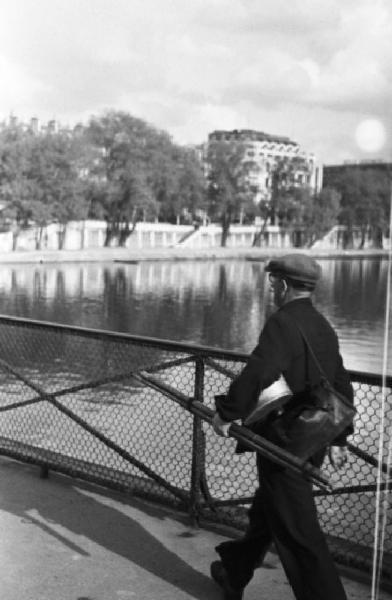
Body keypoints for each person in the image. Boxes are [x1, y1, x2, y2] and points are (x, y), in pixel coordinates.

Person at [210, 253, 354, 600]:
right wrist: (339, 438)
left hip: (284, 443)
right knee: (270, 511)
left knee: (299, 534)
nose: (272, 287)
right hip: (314, 437)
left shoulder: (283, 322)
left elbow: (259, 373)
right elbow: (339, 381)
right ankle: (234, 569)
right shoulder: (322, 323)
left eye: (273, 281)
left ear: (283, 284)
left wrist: (227, 414)